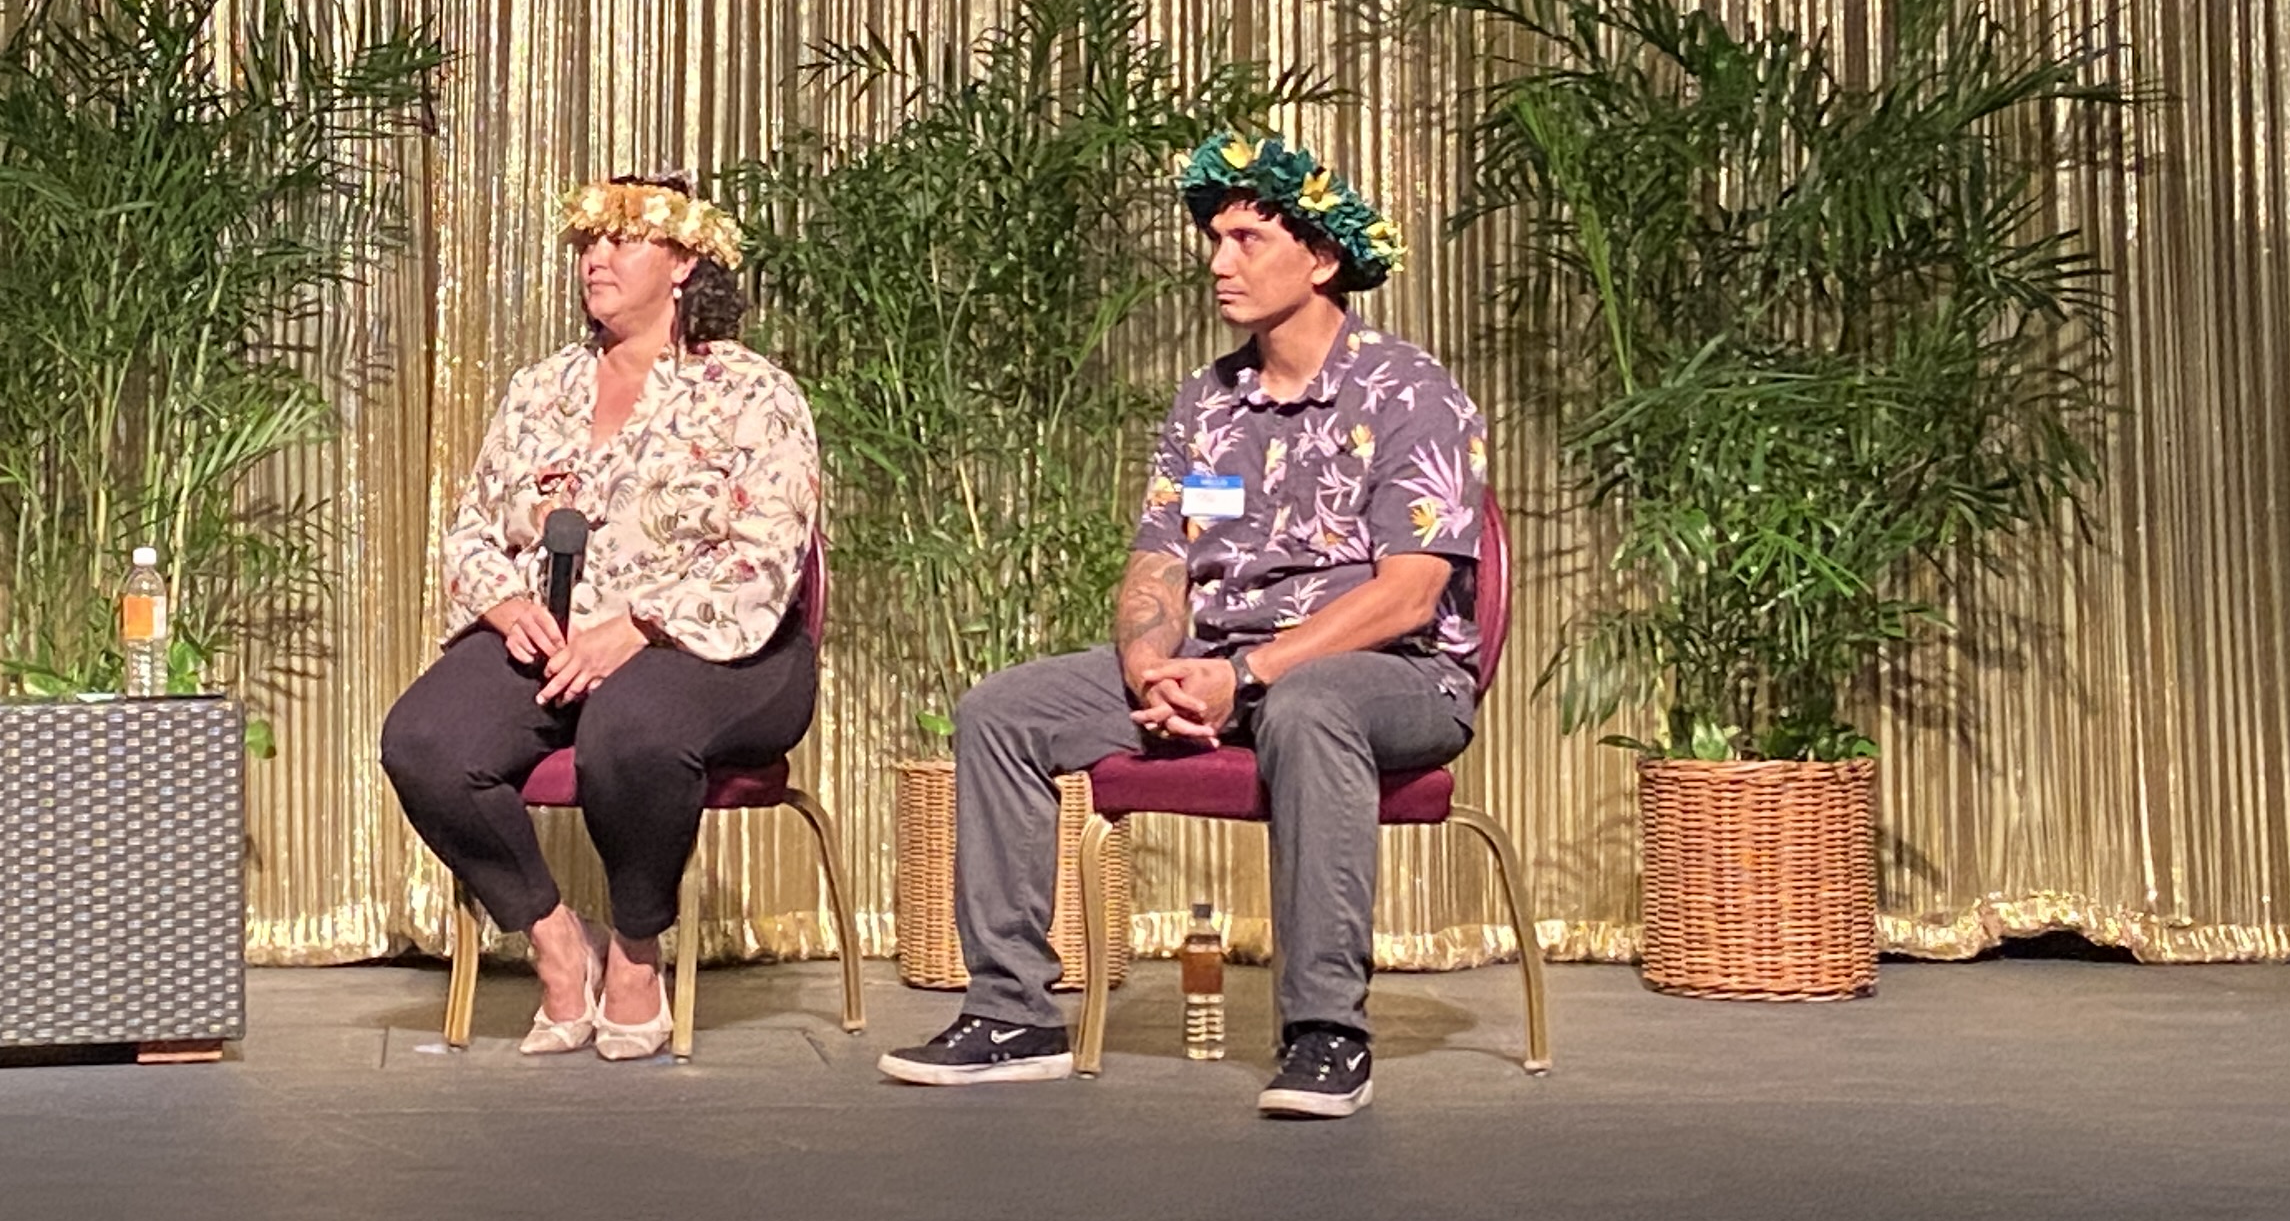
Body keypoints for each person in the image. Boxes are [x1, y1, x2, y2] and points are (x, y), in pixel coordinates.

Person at [880, 129, 1489, 1120]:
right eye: (1215, 238)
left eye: (1247, 238)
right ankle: (1013, 1014)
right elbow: (1163, 556)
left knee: (1310, 706)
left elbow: (1410, 594)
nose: (1218, 260)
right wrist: (1146, 659)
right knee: (1002, 709)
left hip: (1393, 676)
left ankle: (1327, 1032)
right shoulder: (1210, 404)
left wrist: (1247, 676)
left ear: (1322, 257)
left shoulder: (1407, 390)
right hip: (1221, 665)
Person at [382, 175, 823, 1061]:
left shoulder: (750, 391)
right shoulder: (540, 389)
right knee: (424, 740)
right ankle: (554, 941)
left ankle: (633, 950)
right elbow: (472, 525)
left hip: (721, 647)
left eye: (624, 241)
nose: (598, 259)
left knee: (631, 730)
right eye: (588, 242)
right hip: (556, 639)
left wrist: (641, 625)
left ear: (686, 260)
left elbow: (768, 551)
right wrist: (505, 604)